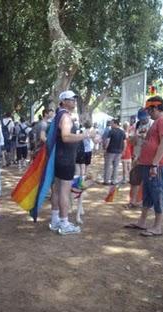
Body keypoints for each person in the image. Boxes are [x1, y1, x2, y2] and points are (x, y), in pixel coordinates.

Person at [125, 96, 163, 237]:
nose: (148, 113)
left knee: (157, 193)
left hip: (158, 165)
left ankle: (157, 227)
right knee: (147, 193)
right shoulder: (158, 121)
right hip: (149, 164)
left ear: (157, 108)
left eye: (150, 110)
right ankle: (142, 222)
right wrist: (141, 159)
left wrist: (154, 163)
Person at [49, 90, 93, 235]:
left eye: (75, 99)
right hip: (65, 158)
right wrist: (85, 135)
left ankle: (55, 220)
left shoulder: (58, 115)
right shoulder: (66, 116)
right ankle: (64, 222)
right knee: (64, 190)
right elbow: (66, 137)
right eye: (71, 99)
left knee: (56, 189)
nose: (74, 101)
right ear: (63, 101)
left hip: (58, 158)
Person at [103, 118, 126, 185]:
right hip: (119, 151)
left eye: (112, 123)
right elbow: (125, 142)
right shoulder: (122, 132)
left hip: (110, 151)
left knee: (108, 166)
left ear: (116, 123)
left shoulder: (111, 131)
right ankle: (114, 180)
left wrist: (105, 148)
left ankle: (106, 180)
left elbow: (108, 141)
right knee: (116, 166)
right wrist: (123, 150)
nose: (111, 124)